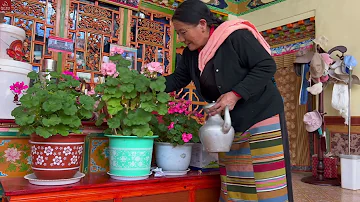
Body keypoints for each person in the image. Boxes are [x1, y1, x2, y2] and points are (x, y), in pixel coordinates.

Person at [164, 0, 293, 201]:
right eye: (178, 34)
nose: (180, 39)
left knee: (266, 185)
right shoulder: (191, 54)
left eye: (183, 32)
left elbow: (266, 66)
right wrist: (145, 84)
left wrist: (235, 94)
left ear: (202, 24)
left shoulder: (236, 36)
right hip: (229, 123)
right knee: (236, 182)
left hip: (260, 116)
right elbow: (177, 79)